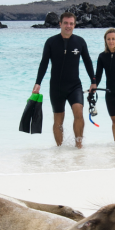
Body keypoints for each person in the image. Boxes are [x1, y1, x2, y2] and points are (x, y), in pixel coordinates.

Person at [33, 12, 95, 148]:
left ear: (74, 25)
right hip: (57, 87)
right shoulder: (51, 42)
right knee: (58, 121)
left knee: (79, 112)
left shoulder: (80, 42)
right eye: (66, 23)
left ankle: (79, 146)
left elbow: (88, 62)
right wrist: (38, 83)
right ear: (60, 24)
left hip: (74, 86)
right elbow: (43, 63)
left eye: (71, 23)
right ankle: (59, 149)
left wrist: (93, 81)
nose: (68, 26)